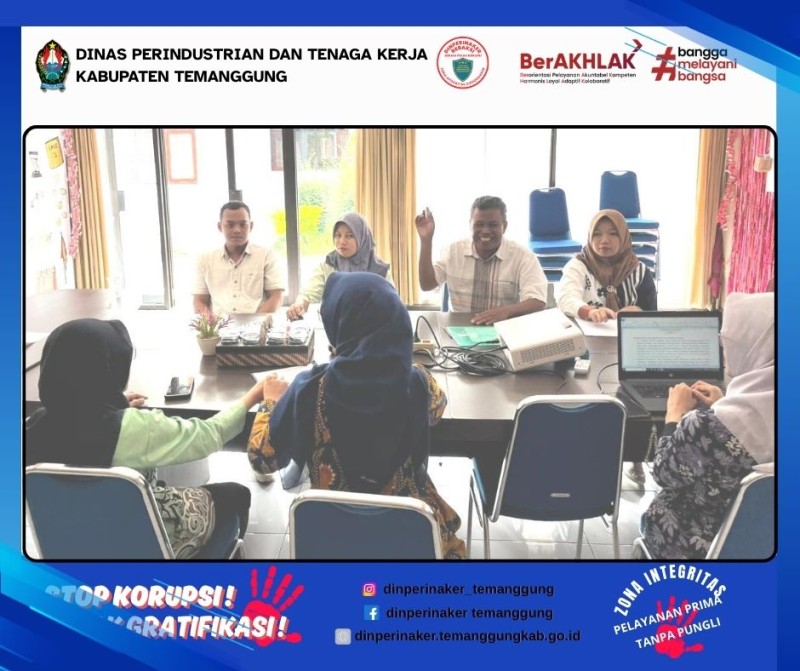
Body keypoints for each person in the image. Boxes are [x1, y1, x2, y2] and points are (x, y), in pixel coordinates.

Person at [247, 272, 466, 559]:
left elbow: (262, 460)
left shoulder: (309, 389)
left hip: (333, 541)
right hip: (410, 540)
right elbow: (437, 409)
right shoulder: (416, 382)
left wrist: (270, 403)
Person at [25, 318, 267, 559]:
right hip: (147, 544)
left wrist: (113, 403)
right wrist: (254, 395)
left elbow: (80, 417)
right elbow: (210, 434)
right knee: (236, 494)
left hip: (75, 545)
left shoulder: (32, 427)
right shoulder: (135, 429)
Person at [640, 292, 774, 560]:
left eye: (729, 344)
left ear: (751, 348)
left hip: (694, 547)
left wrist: (674, 415)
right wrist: (725, 402)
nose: (724, 351)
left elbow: (664, 473)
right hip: (764, 544)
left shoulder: (704, 426)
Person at [416, 195, 547, 325]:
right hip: (460, 328)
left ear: (505, 226)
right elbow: (427, 284)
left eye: (493, 225)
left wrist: (505, 312)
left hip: (504, 328)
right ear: (470, 225)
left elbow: (537, 301)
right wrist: (426, 240)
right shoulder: (453, 251)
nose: (485, 231)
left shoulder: (523, 257)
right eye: (479, 225)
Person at [286, 212, 393, 320]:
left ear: (362, 237)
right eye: (338, 235)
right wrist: (298, 306)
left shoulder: (379, 270)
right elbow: (308, 294)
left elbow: (393, 307)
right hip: (336, 328)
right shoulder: (329, 265)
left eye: (349, 236)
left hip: (374, 328)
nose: (342, 241)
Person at [557, 209, 657, 323]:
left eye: (613, 233)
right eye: (597, 234)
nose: (604, 240)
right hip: (587, 332)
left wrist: (638, 311)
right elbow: (566, 297)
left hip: (629, 331)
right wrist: (590, 312)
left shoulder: (639, 271)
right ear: (590, 237)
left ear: (624, 236)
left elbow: (652, 313)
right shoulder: (578, 266)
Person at [193, 200, 284, 315]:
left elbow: (276, 297)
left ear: (251, 226)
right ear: (220, 227)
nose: (237, 230)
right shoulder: (205, 260)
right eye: (230, 225)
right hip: (219, 324)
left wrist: (255, 322)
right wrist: (212, 323)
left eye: (243, 224)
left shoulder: (266, 256)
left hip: (257, 324)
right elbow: (199, 301)